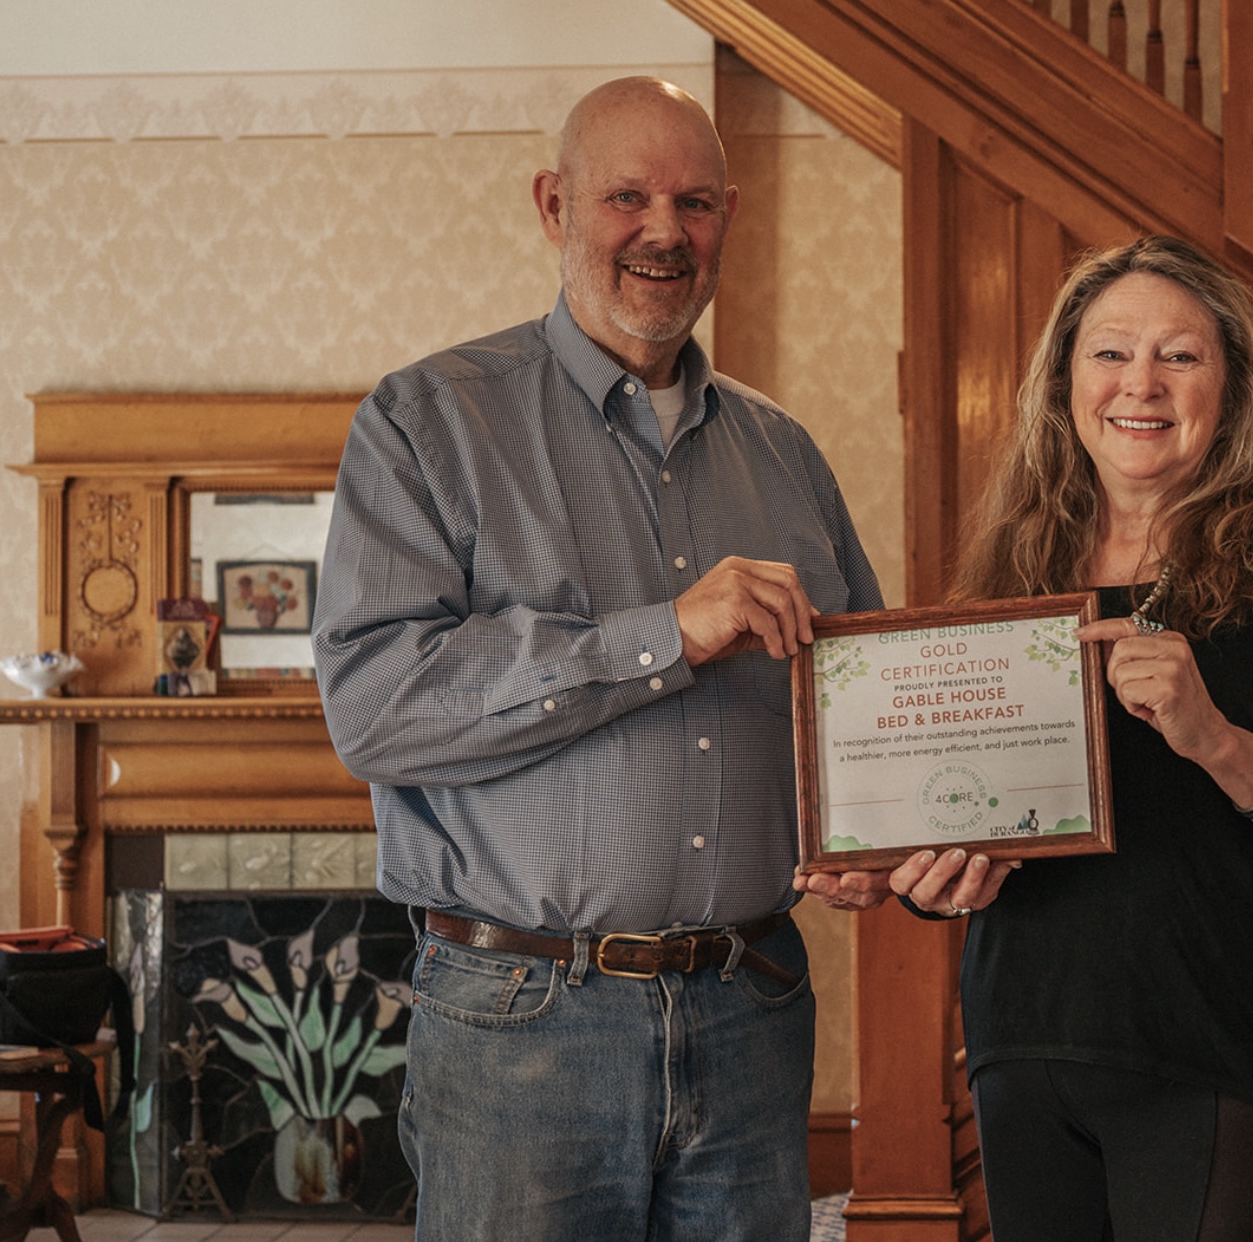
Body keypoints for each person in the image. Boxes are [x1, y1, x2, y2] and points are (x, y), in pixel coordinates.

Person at [312, 76, 892, 1242]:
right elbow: (375, 710)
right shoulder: (427, 423)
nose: (662, 231)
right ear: (553, 205)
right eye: (627, 196)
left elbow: (861, 707)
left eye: (693, 202)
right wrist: (662, 635)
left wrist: (877, 836)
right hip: (522, 1024)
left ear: (728, 216)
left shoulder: (786, 455)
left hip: (750, 1009)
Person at [876, 235, 1253, 1241]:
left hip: (1227, 1056)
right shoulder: (1009, 577)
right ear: (1064, 382)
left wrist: (1215, 739)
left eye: (1179, 355)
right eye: (1109, 352)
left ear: (1230, 387)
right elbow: (965, 825)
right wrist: (930, 875)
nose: (1140, 383)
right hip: (1025, 1045)